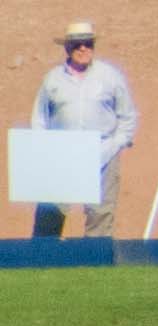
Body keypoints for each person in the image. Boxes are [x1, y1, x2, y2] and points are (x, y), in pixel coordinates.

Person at [28, 22, 137, 240]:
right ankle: (41, 262)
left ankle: (95, 265)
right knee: (51, 211)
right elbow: (40, 117)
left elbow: (128, 116)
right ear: (67, 48)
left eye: (87, 44)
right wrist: (43, 148)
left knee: (100, 213)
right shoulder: (53, 79)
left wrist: (116, 144)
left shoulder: (110, 76)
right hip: (62, 153)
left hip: (103, 152)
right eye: (77, 44)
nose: (83, 49)